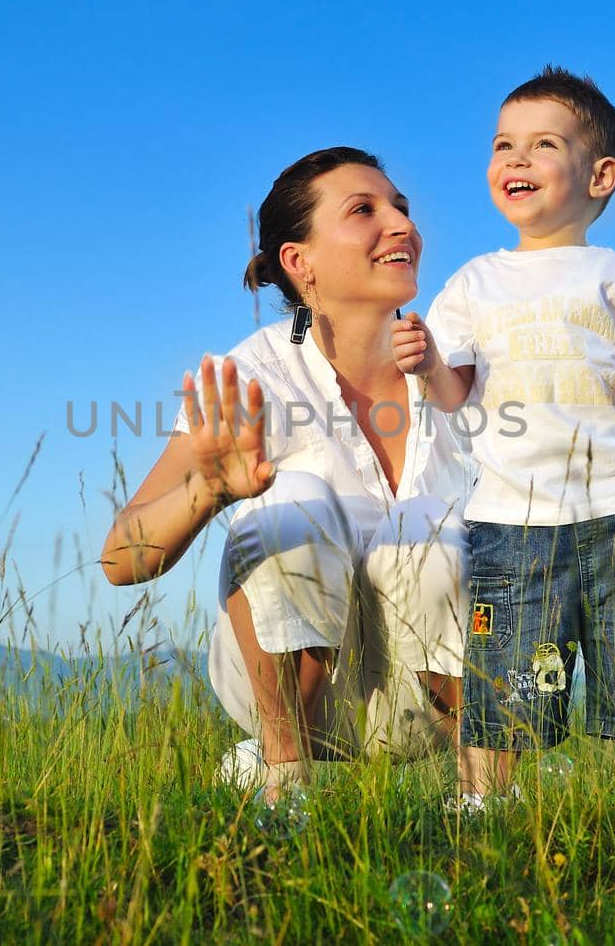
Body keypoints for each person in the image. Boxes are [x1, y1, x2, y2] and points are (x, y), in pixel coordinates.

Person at [102, 147, 474, 801]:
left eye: (402, 209)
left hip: (424, 711)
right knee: (293, 498)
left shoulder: (455, 368)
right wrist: (209, 490)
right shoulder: (255, 375)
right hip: (290, 695)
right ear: (299, 262)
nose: (401, 224)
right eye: (365, 210)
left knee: (433, 522)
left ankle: (482, 791)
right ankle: (285, 778)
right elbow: (121, 558)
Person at [392, 65, 615, 814]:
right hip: (512, 514)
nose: (515, 160)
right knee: (505, 665)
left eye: (542, 144)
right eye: (504, 144)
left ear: (600, 174)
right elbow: (452, 393)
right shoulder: (476, 280)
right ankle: (484, 802)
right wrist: (430, 362)